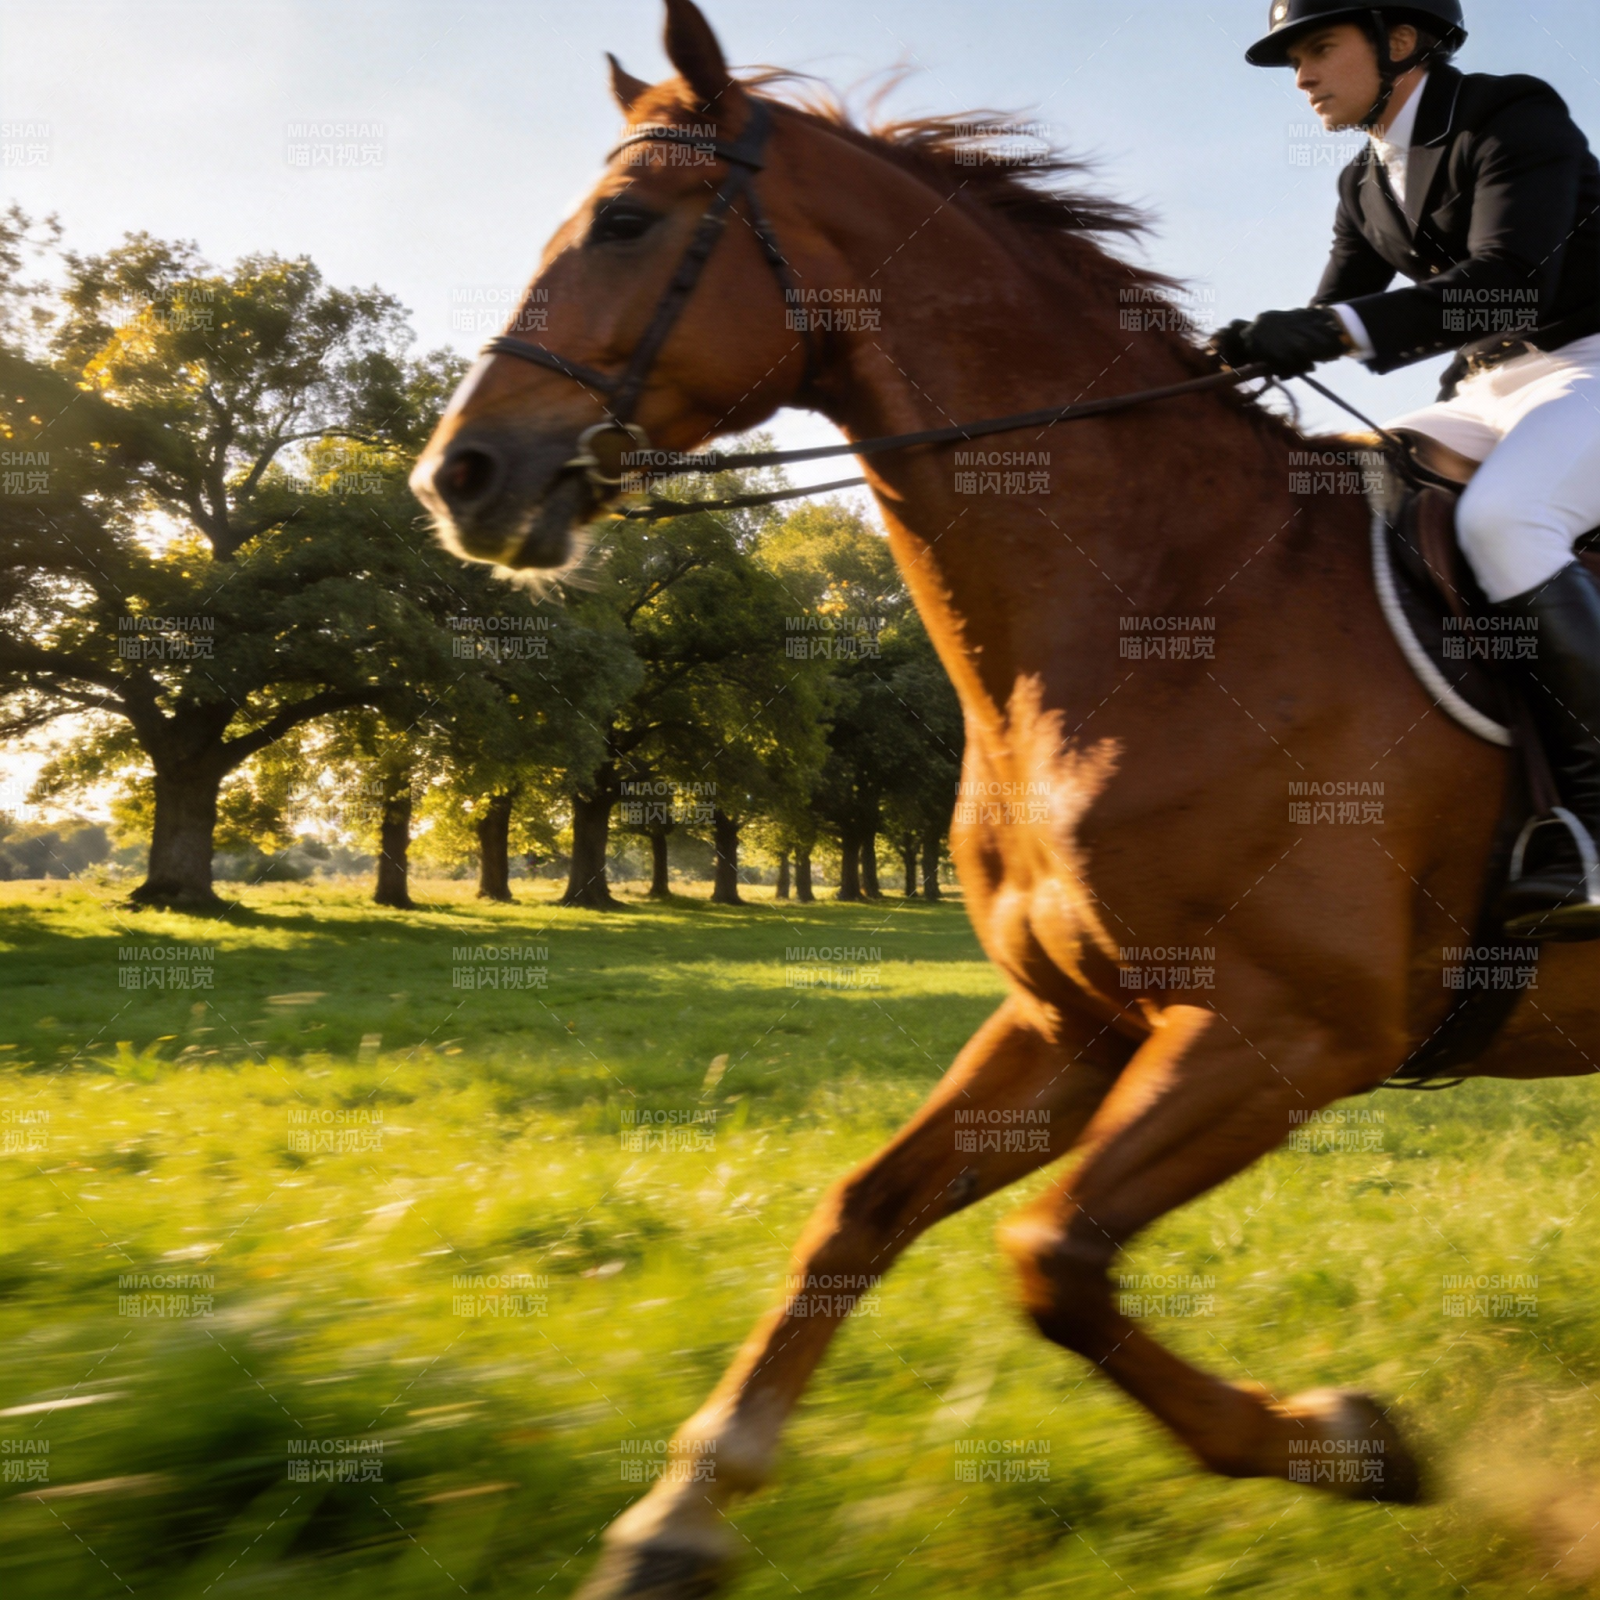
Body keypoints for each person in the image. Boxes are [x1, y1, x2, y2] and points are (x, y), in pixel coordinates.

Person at [1212, 0, 1600, 941]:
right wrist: (1226, 363)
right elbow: (1334, 308)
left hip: (1589, 361)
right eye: (1295, 58)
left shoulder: (1513, 112)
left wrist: (1333, 332)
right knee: (1335, 489)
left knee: (1505, 523)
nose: (1301, 76)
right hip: (1484, 390)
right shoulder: (1361, 181)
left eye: (1317, 49)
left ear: (1397, 41)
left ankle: (1596, 820)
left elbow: (1510, 279)